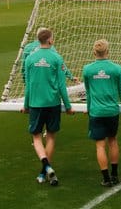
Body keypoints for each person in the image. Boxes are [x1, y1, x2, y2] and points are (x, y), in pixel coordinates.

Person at [21, 28, 74, 186]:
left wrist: (26, 105)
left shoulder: (30, 59)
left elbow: (28, 85)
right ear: (50, 40)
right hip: (53, 104)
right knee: (50, 136)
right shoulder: (57, 58)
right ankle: (45, 170)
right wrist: (68, 106)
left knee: (36, 137)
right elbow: (61, 86)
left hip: (35, 104)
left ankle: (45, 168)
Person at [82, 39, 121, 187]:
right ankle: (115, 175)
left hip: (96, 112)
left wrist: (89, 108)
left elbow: (88, 92)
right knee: (113, 141)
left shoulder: (87, 70)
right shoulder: (116, 69)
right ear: (108, 51)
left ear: (94, 52)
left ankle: (106, 178)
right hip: (112, 112)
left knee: (100, 145)